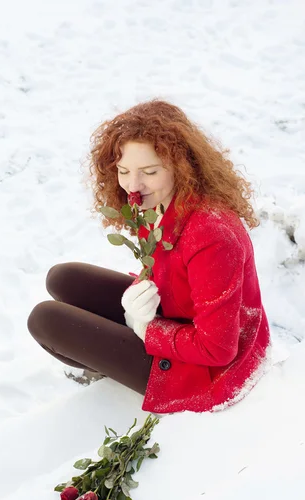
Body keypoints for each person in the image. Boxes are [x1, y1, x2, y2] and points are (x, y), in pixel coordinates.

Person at [27, 99, 271, 414]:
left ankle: (112, 368)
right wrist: (140, 299)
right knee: (63, 278)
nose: (133, 186)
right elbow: (169, 270)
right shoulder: (155, 202)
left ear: (181, 167)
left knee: (45, 320)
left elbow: (218, 350)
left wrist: (146, 330)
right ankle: (113, 358)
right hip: (176, 314)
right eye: (124, 170)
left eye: (150, 171)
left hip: (210, 370)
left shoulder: (212, 235)